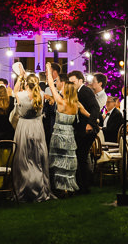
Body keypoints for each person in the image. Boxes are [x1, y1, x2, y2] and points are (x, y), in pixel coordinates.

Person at [11, 66, 53, 202]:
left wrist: (20, 77)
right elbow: (37, 90)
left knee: (23, 159)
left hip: (24, 127)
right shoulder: (40, 95)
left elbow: (14, 91)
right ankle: (40, 187)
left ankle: (25, 188)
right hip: (37, 127)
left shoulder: (21, 95)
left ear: (25, 84)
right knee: (37, 157)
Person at [46, 63, 82, 196]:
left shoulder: (61, 102)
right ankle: (68, 186)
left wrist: (49, 70)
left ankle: (59, 187)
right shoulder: (76, 105)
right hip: (69, 136)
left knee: (57, 161)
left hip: (58, 135)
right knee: (67, 161)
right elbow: (87, 114)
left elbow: (50, 84)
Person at [67, 69, 99, 193]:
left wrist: (90, 124)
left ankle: (85, 186)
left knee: (81, 156)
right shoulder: (76, 91)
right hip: (81, 128)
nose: (71, 85)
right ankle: (81, 184)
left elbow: (95, 108)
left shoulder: (86, 91)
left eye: (73, 82)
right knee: (80, 156)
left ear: (81, 81)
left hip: (87, 129)